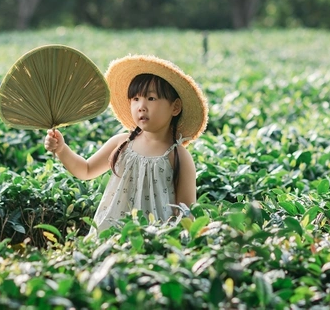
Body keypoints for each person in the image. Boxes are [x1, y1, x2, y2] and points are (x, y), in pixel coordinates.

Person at [43, 55, 208, 233]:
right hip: (111, 234)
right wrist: (61, 149)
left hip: (156, 239)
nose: (141, 106)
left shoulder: (177, 156)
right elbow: (86, 170)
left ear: (175, 107)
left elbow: (186, 212)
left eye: (151, 99)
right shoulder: (122, 143)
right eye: (135, 99)